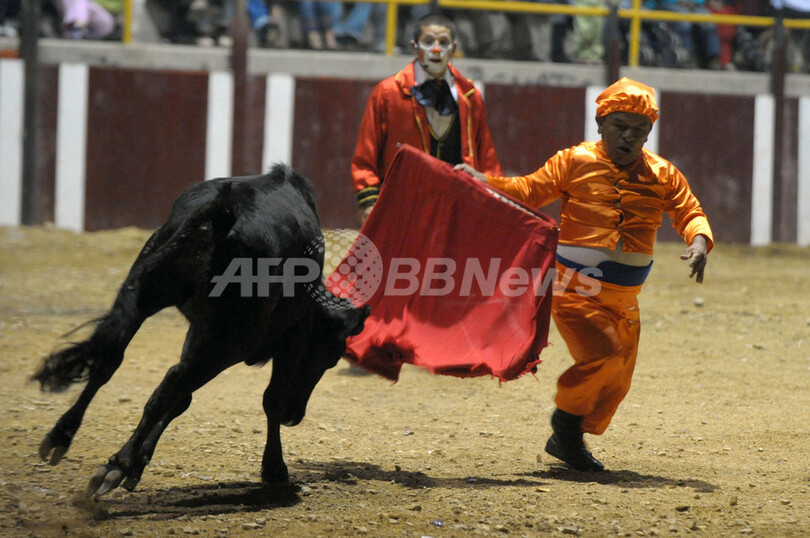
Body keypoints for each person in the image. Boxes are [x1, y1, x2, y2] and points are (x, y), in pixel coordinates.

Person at [455, 77, 713, 472]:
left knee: (619, 376)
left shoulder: (663, 174)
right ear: (600, 123)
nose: (629, 136)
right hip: (575, 288)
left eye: (639, 129)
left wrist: (699, 240)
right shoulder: (574, 161)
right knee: (603, 355)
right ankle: (566, 426)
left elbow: (689, 211)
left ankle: (569, 433)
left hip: (624, 299)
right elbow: (528, 191)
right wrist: (484, 182)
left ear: (649, 132)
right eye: (620, 126)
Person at [350, 12, 503, 224]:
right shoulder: (387, 93)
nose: (436, 49)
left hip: (457, 211)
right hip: (401, 209)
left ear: (454, 49)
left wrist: (497, 201)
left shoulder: (469, 96)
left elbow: (487, 158)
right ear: (414, 47)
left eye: (443, 42)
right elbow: (365, 156)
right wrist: (368, 203)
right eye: (429, 42)